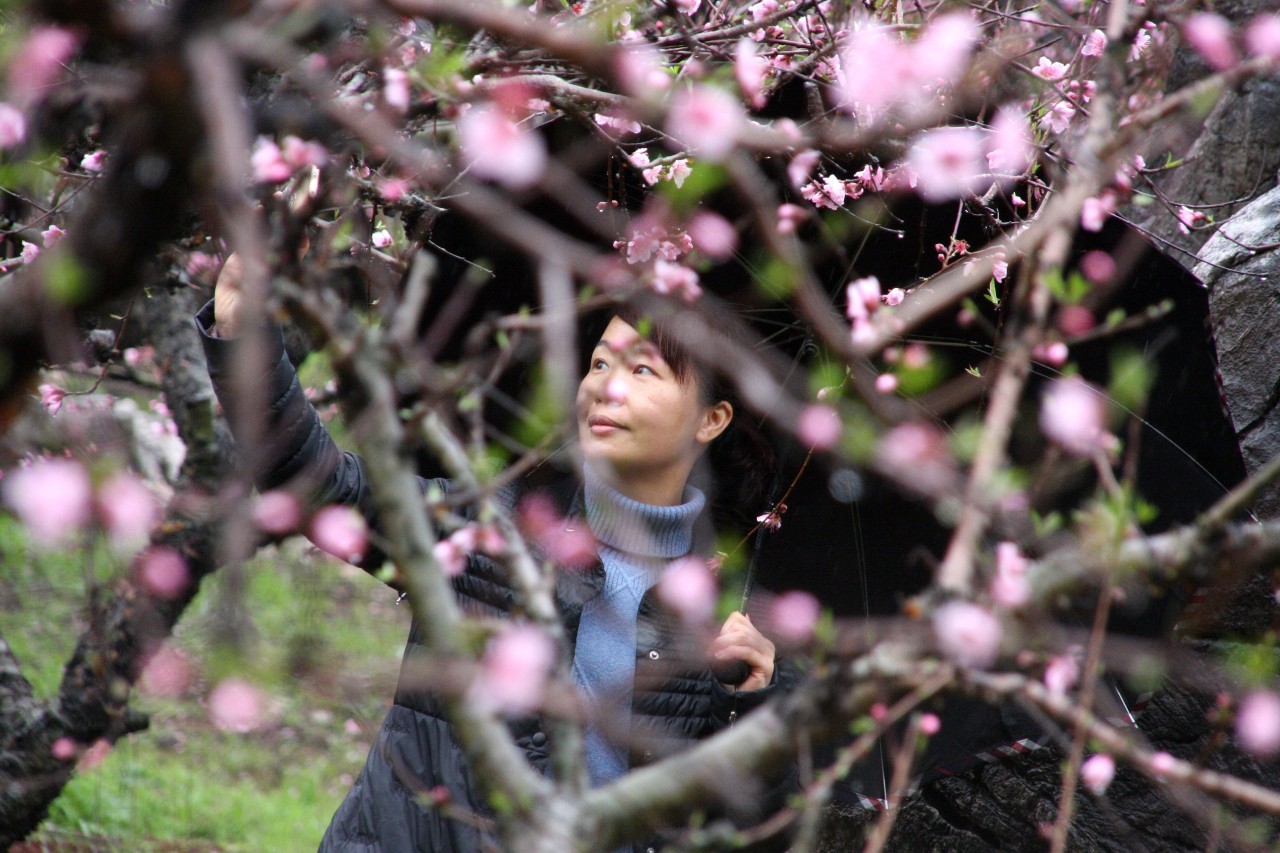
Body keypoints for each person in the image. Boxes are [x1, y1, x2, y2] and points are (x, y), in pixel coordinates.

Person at [197, 259, 792, 852]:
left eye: (643, 370)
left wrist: (756, 709)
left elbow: (734, 827)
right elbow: (319, 485)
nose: (605, 387)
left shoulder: (716, 617)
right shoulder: (487, 530)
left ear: (710, 420)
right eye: (600, 363)